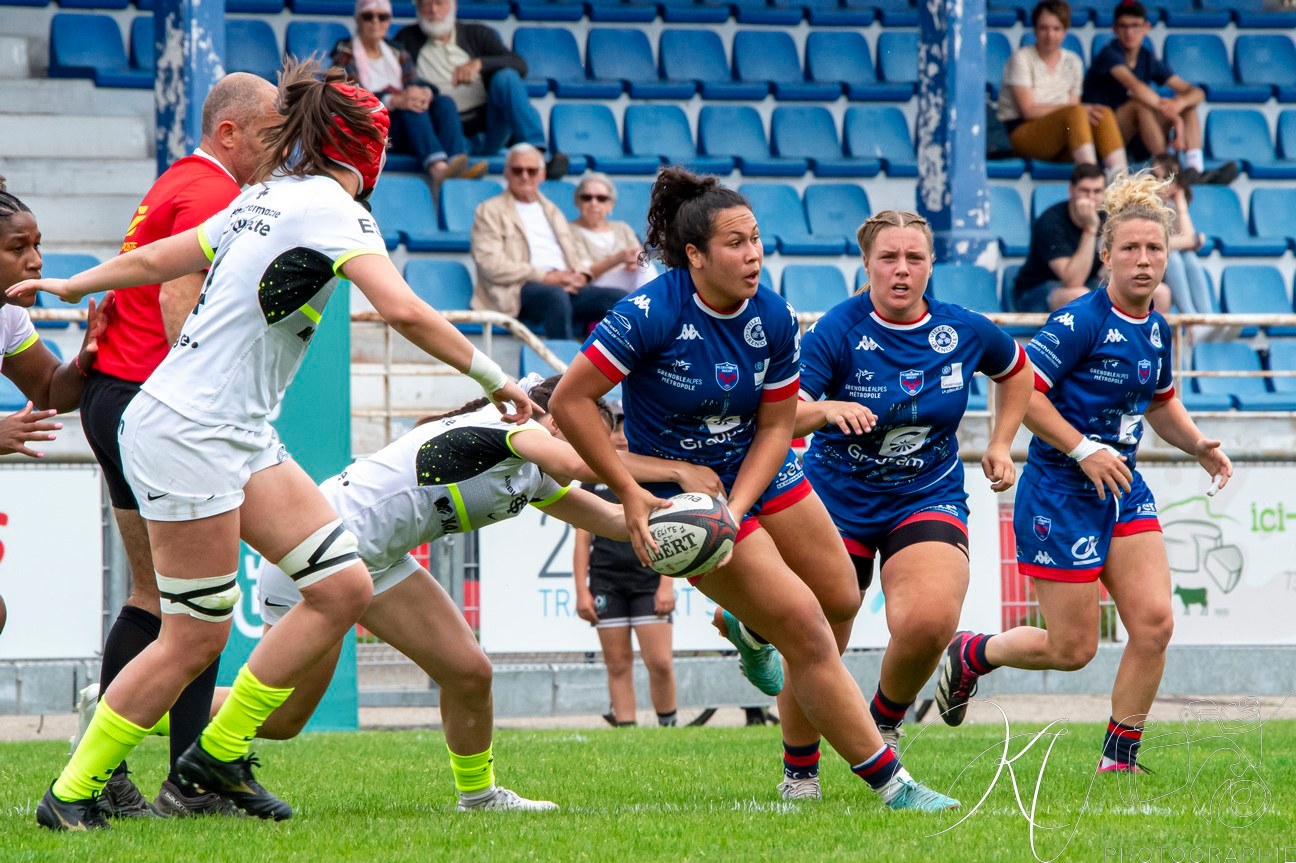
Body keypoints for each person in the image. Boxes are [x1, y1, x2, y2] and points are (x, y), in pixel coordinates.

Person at [12, 60, 534, 832]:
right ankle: (72, 792)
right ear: (365, 147)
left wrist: (75, 284)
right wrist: (497, 375)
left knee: (343, 586)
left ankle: (217, 753)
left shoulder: (268, 196)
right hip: (191, 432)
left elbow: (167, 255)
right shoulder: (328, 207)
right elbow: (405, 311)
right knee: (194, 636)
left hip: (233, 432)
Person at [550, 166, 958, 811]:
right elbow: (572, 403)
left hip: (757, 473)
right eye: (736, 243)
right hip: (687, 501)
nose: (754, 254)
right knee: (808, 631)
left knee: (841, 598)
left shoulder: (773, 314)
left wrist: (738, 509)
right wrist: (630, 490)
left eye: (757, 239)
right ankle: (889, 782)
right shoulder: (649, 312)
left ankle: (748, 627)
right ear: (695, 255)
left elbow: (775, 425)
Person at [215, 375, 714, 803]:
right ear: (559, 422)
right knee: (283, 719)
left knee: (469, 672)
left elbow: (607, 517)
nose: (598, 455)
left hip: (377, 562)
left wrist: (686, 520)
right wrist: (674, 470)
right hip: (318, 552)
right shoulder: (509, 428)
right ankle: (150, 707)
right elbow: (585, 468)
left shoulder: (534, 473)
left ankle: (479, 797)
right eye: (591, 440)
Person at [935, 170, 1234, 774]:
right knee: (1072, 649)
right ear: (1106, 257)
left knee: (1154, 624)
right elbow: (1021, 389)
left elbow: (1159, 401)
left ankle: (1118, 760)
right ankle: (973, 653)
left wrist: (1198, 443)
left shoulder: (1155, 327)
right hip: (1060, 489)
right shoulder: (1080, 322)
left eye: (1155, 249)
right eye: (1130, 248)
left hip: (1122, 485)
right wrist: (1081, 449)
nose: (1144, 260)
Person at [73, 72, 278, 821]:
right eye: (269, 133)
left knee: (170, 599)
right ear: (230, 133)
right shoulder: (212, 193)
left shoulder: (180, 181)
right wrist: (197, 402)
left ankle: (151, 771)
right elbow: (174, 301)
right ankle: (166, 775)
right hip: (150, 402)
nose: (279, 149)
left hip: (120, 397)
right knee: (185, 602)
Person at [783, 211, 1032, 797]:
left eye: (914, 258)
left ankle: (883, 725)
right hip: (835, 500)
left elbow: (1018, 373)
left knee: (927, 623)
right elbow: (782, 411)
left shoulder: (964, 328)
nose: (901, 269)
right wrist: (824, 410)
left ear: (930, 265)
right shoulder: (836, 331)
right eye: (888, 258)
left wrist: (1000, 443)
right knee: (816, 638)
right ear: (866, 264)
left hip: (926, 493)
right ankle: (800, 772)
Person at [573, 406, 679, 728]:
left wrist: (666, 584)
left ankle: (669, 727)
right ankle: (627, 731)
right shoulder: (592, 478)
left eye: (625, 430)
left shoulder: (650, 478)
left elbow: (670, 531)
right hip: (606, 582)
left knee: (659, 662)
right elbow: (581, 541)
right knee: (617, 664)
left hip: (649, 580)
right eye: (613, 430)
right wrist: (582, 591)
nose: (619, 437)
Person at [1, 179, 112, 457]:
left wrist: (85, 358)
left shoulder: (11, 315)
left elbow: (50, 391)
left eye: (36, 245)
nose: (36, 260)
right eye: (18, 248)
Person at [393, 0, 568, 178]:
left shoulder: (477, 33)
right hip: (445, 134)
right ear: (417, 8)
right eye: (426, 4)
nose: (433, 10)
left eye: (440, 3)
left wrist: (480, 64)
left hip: (489, 131)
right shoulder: (406, 38)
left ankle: (536, 155)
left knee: (506, 77)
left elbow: (520, 64)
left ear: (453, 5)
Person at [471, 145, 624, 340]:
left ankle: (621, 367)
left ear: (542, 174)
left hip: (563, 286)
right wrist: (547, 277)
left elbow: (574, 257)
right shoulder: (489, 211)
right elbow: (490, 266)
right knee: (555, 297)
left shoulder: (552, 211)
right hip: (517, 290)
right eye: (518, 170)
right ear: (506, 172)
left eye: (532, 171)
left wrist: (579, 276)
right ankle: (566, 368)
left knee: (618, 299)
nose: (525, 176)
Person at [332, 0, 486, 189]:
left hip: (406, 126)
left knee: (443, 102)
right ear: (357, 19)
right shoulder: (344, 55)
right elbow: (350, 98)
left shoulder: (396, 51)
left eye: (382, 17)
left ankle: (457, 163)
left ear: (389, 20)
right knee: (411, 108)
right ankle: (438, 170)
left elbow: (414, 81)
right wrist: (393, 100)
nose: (375, 22)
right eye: (368, 16)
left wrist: (424, 92)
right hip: (375, 130)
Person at [1081, 0, 1236, 184]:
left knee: (1186, 103)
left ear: (1146, 27)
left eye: (1135, 26)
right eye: (1123, 26)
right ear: (1114, 29)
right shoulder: (1109, 54)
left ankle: (1194, 170)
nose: (1129, 32)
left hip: (1138, 138)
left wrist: (1180, 104)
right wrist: (1174, 117)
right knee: (1139, 104)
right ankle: (1167, 168)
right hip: (1106, 137)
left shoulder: (1146, 57)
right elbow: (1136, 87)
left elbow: (1195, 92)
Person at [999, 1, 1126, 177]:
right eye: (1044, 28)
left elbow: (1074, 110)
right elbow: (1028, 110)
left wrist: (1080, 111)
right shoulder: (1021, 58)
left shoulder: (1073, 61)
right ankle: (1089, 178)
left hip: (1062, 138)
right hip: (1024, 135)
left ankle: (1121, 180)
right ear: (1035, 30)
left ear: (1065, 32)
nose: (1050, 35)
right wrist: (1075, 110)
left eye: (1056, 29)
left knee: (1101, 113)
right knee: (1076, 111)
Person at [1015, 164, 1116, 313]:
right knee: (1080, 296)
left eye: (1097, 191)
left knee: (1154, 292)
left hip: (1087, 285)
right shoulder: (1050, 222)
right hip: (1036, 291)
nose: (1091, 198)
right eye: (1085, 191)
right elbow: (1073, 280)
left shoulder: (1108, 219)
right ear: (1071, 190)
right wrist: (1090, 228)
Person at [1148, 153, 1213, 318]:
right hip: (1145, 266)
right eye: (1155, 176)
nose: (1159, 183)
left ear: (1176, 184)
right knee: (1174, 257)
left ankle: (1207, 316)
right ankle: (1189, 317)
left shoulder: (1171, 206)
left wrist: (1181, 205)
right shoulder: (1142, 204)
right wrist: (1190, 241)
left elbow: (1189, 240)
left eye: (1167, 178)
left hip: (1162, 270)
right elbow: (1156, 245)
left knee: (1189, 257)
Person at [568, 174, 657, 294]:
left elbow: (638, 257)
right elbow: (582, 274)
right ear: (577, 201)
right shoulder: (568, 230)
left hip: (629, 282)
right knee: (644, 269)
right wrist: (617, 259)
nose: (593, 203)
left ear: (610, 204)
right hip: (590, 287)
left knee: (644, 266)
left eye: (601, 198)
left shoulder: (622, 228)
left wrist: (633, 262)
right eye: (586, 197)